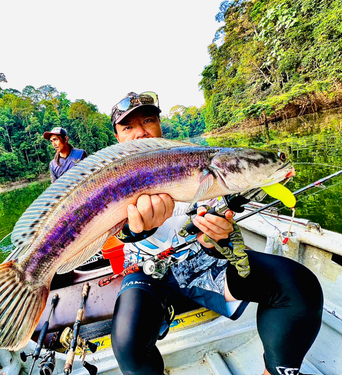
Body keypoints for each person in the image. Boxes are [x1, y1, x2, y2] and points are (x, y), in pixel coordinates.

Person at [109, 91, 323, 375]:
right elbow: (113, 235)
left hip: (202, 263)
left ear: (160, 125)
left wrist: (216, 237)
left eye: (148, 120)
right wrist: (133, 230)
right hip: (146, 272)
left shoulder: (195, 161)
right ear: (118, 138)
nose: (141, 133)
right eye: (128, 127)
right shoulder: (111, 177)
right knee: (127, 343)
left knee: (298, 285)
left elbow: (216, 222)